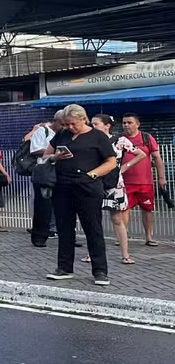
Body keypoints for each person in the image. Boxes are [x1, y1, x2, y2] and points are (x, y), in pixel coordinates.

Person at [45, 104, 116, 286]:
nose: (69, 127)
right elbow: (46, 155)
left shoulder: (98, 136)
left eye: (72, 124)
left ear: (83, 119)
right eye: (66, 124)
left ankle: (100, 270)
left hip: (88, 187)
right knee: (64, 228)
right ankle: (64, 268)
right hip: (63, 186)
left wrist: (93, 174)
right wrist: (55, 158)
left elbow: (111, 162)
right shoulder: (62, 134)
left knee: (93, 228)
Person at [83, 114, 145, 266]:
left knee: (117, 219)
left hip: (113, 182)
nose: (92, 127)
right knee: (93, 218)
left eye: (96, 124)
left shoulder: (120, 140)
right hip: (95, 180)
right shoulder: (90, 139)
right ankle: (92, 253)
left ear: (107, 125)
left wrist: (124, 167)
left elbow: (140, 154)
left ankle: (125, 254)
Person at [120, 113, 166, 247]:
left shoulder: (146, 138)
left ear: (137, 124)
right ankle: (122, 236)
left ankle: (148, 237)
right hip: (125, 181)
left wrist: (161, 177)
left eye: (129, 122)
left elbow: (157, 158)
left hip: (145, 182)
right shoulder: (120, 139)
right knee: (124, 209)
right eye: (124, 123)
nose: (126, 125)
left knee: (147, 209)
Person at [25, 110, 65, 247]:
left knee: (64, 205)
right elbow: (35, 150)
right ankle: (39, 236)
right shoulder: (43, 131)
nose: (65, 127)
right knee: (43, 205)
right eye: (62, 124)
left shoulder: (66, 133)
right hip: (45, 170)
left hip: (62, 171)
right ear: (56, 121)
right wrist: (55, 152)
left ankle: (64, 233)